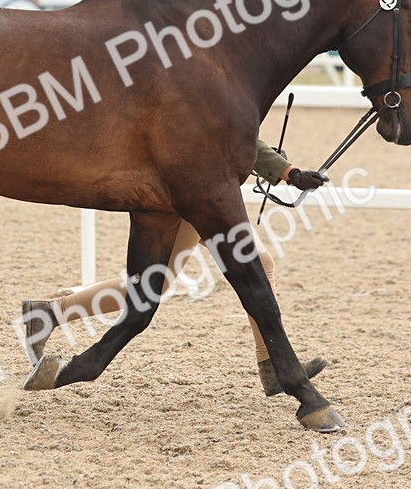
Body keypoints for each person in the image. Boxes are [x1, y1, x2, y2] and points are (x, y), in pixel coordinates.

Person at [22, 139, 330, 396]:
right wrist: (288, 172)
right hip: (194, 196)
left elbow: (235, 135)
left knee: (257, 263)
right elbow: (224, 134)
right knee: (155, 286)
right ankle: (51, 313)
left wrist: (282, 168)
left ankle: (271, 363)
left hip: (198, 189)